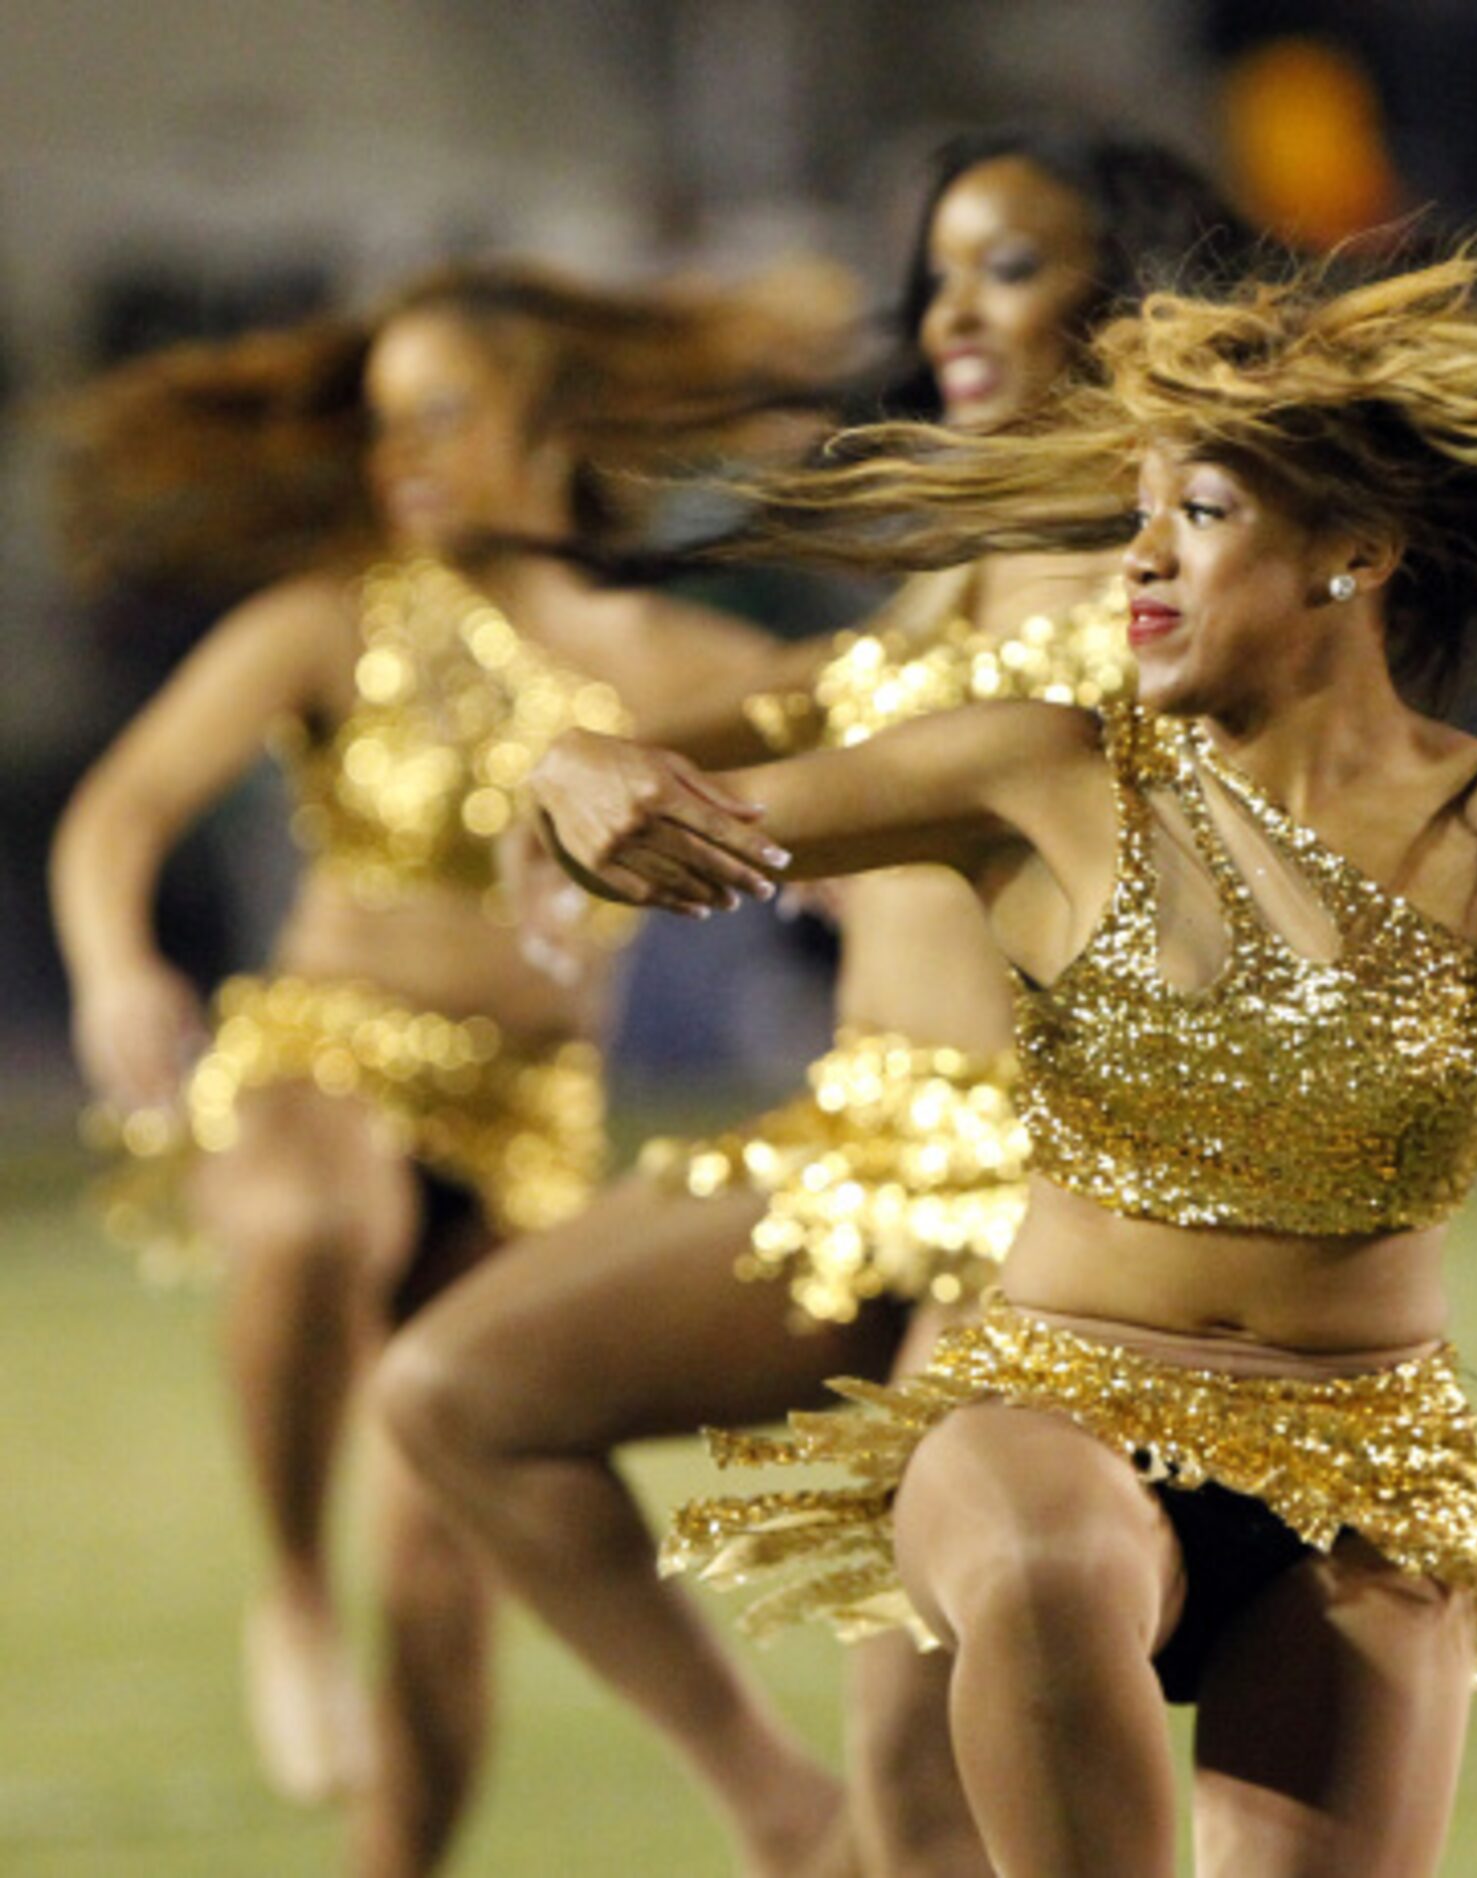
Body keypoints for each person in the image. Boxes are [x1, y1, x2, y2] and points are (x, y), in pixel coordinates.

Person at [528, 251, 1477, 1877]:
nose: (1138, 559)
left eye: (1201, 514)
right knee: (1039, 1550)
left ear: (1354, 553)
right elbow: (671, 806)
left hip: (1364, 1470)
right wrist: (575, 775)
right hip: (1053, 1404)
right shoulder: (1045, 774)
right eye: (1132, 514)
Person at [372, 131, 1253, 1876]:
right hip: (863, 1140)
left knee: (922, 1749)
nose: (953, 311)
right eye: (939, 271)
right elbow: (812, 697)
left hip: (1066, 1188)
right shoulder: (960, 551)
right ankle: (776, 1815)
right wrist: (586, 762)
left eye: (1008, 264)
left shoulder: (1201, 551)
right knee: (454, 1388)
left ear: (1136, 292)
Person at [50, 262, 855, 1874]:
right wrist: (115, 965)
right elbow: (119, 811)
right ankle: (288, 1589)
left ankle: (760, 1810)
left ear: (546, 430)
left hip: (529, 1121)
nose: (398, 456)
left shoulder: (683, 660)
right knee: (310, 1222)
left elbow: (867, 811)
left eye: (439, 417)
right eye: (381, 424)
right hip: (321, 1058)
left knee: (441, 1571)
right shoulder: (326, 623)